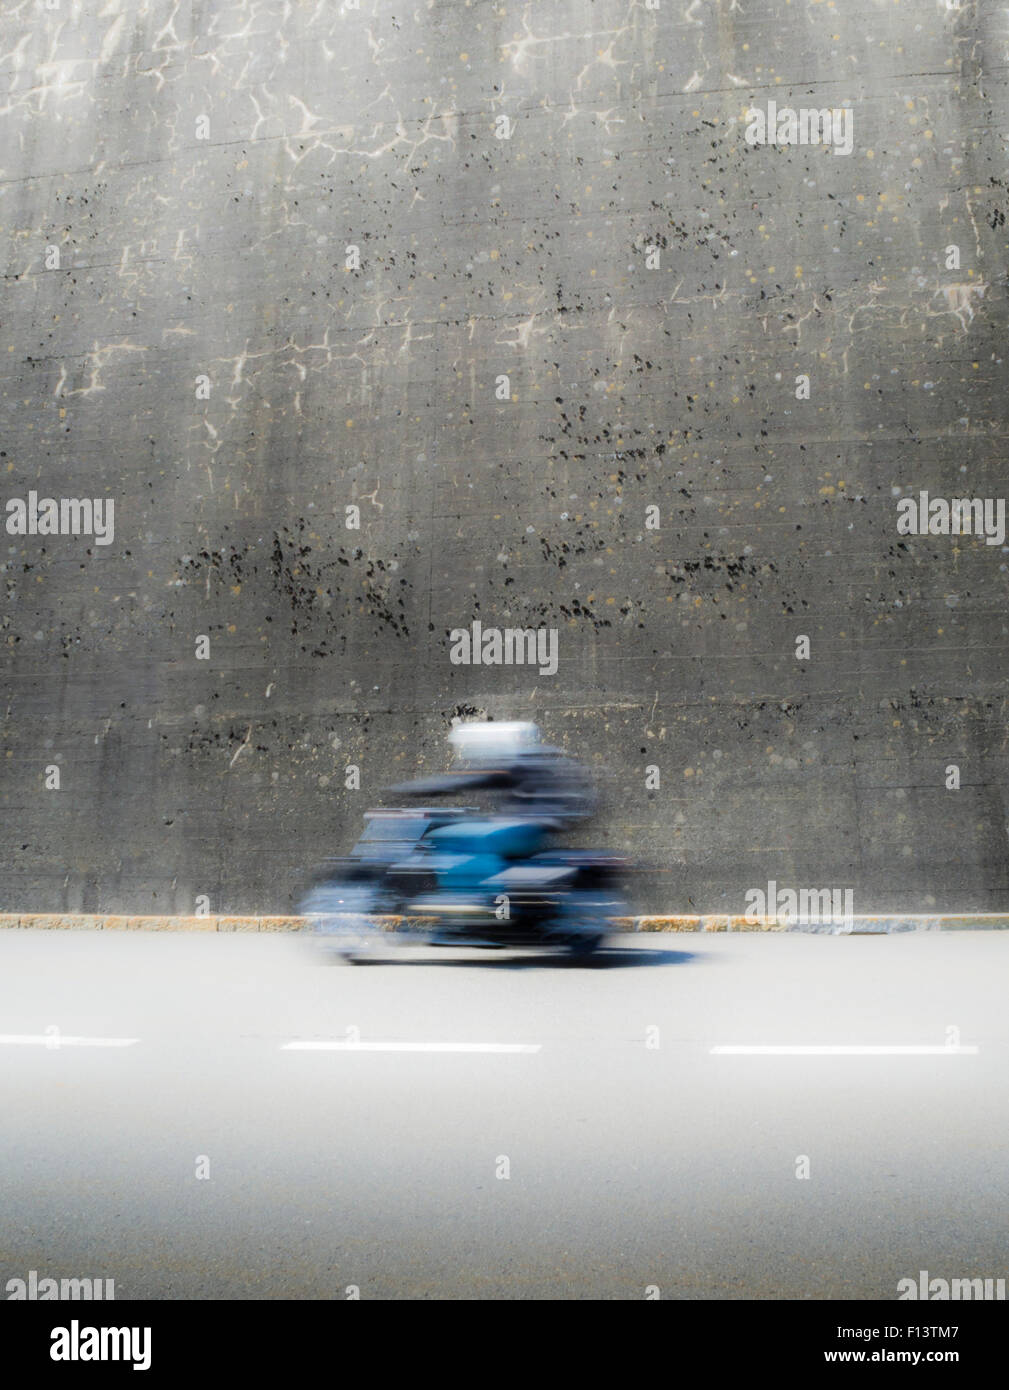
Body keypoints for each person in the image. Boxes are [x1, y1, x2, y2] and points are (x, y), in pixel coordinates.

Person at [386, 720, 596, 826]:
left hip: (522, 829)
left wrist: (407, 790)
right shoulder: (540, 758)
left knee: (457, 836)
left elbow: (463, 782)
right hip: (536, 826)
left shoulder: (516, 766)